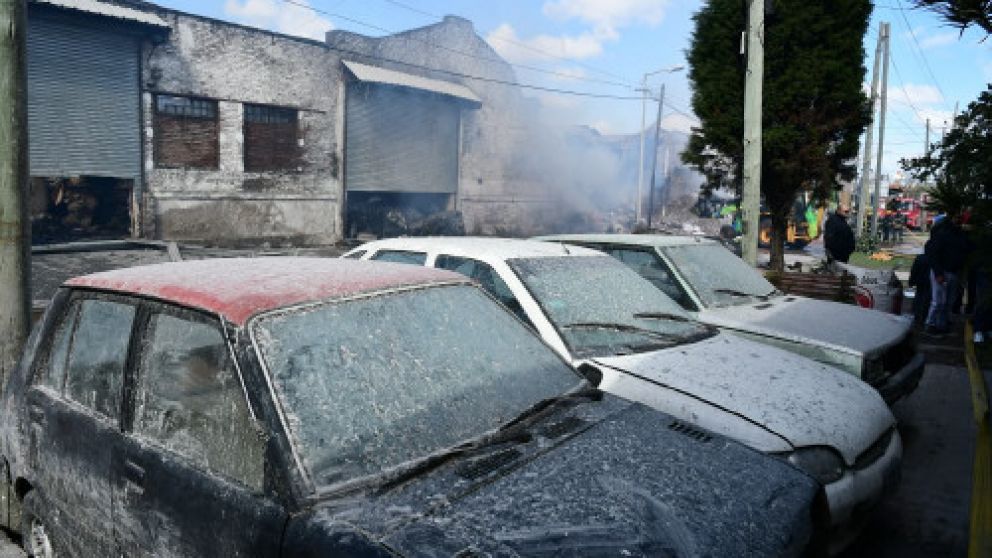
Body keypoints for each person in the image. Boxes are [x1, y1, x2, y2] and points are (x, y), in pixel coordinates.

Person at [924, 213, 972, 336]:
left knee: (948, 302)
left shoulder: (960, 235)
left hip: (953, 272)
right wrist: (938, 273)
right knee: (938, 301)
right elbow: (933, 254)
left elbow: (966, 250)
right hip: (941, 271)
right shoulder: (942, 234)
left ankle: (941, 325)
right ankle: (931, 324)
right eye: (957, 217)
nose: (959, 220)